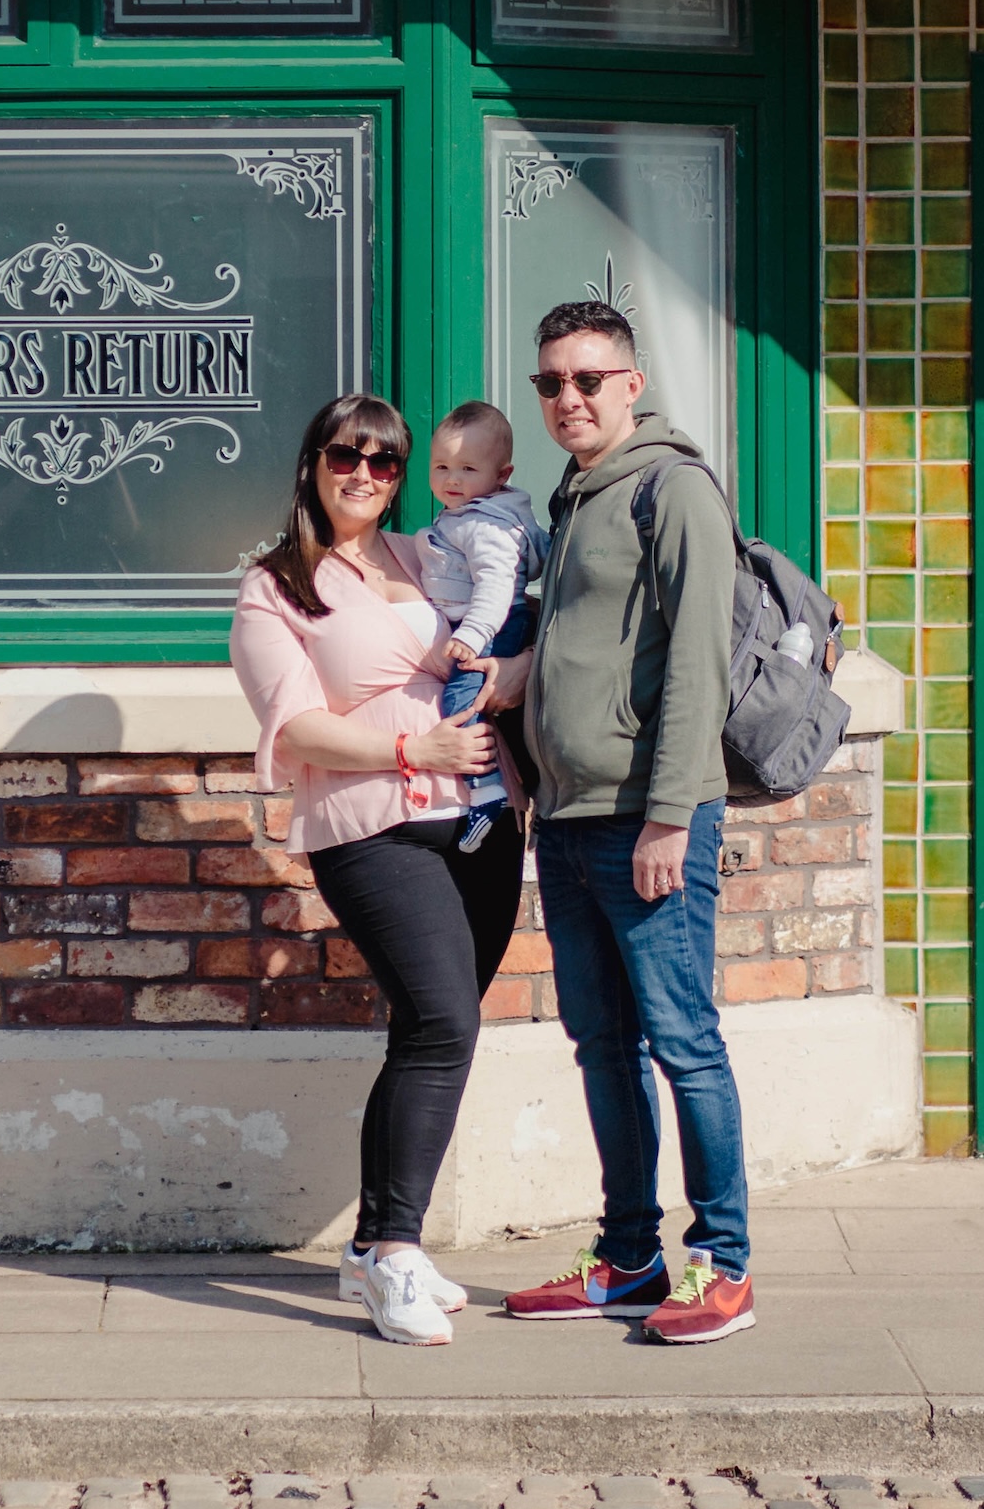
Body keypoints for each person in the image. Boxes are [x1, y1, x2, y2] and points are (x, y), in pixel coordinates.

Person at [492, 300, 758, 1346]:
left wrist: (667, 821)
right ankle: (629, 1258)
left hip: (645, 823)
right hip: (566, 820)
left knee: (683, 1043)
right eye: (550, 383)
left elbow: (694, 666)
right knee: (602, 1045)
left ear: (632, 385)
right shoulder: (574, 496)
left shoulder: (671, 488)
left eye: (587, 380)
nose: (567, 399)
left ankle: (722, 1267)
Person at [228, 394, 517, 1348]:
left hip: (478, 821)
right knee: (444, 1018)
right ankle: (393, 1254)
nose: (365, 474)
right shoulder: (274, 587)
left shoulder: (422, 556)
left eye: (386, 462)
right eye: (346, 455)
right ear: (313, 462)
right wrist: (410, 754)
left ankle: (376, 1242)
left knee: (430, 1032)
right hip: (371, 827)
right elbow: (295, 725)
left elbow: (492, 639)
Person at [414, 399, 542, 853]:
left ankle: (486, 790)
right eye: (441, 466)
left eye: (468, 468)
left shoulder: (485, 525)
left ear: (501, 475)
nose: (451, 479)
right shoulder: (469, 514)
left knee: (461, 701)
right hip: (486, 624)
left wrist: (472, 634)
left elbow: (496, 587)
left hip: (493, 626)